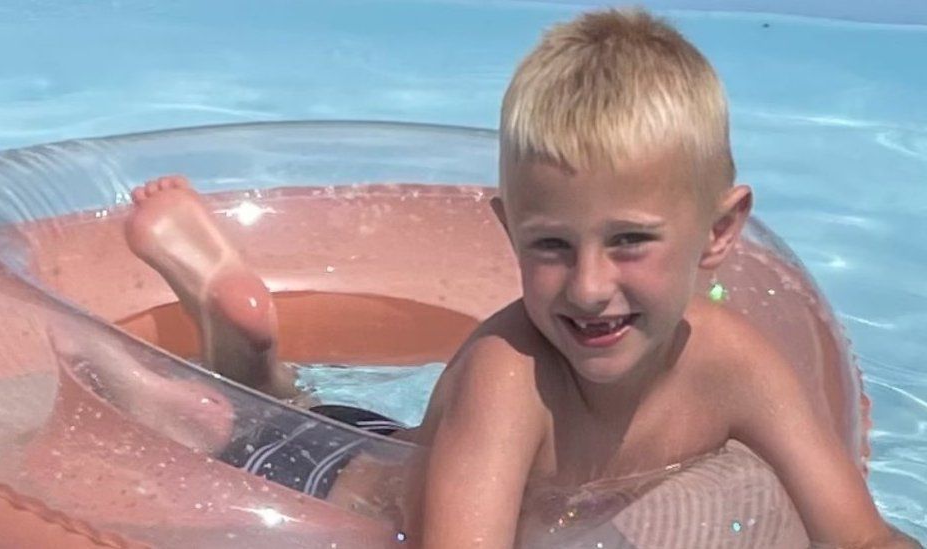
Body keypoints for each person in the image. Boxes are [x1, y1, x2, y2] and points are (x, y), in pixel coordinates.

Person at [52, 7, 920, 548]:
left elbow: (860, 534)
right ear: (507, 230)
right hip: (332, 477)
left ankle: (250, 351)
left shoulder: (740, 364)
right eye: (551, 246)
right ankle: (220, 358)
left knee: (305, 404)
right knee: (229, 425)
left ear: (720, 231)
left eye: (629, 241)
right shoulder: (511, 378)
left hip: (400, 447)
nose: (586, 287)